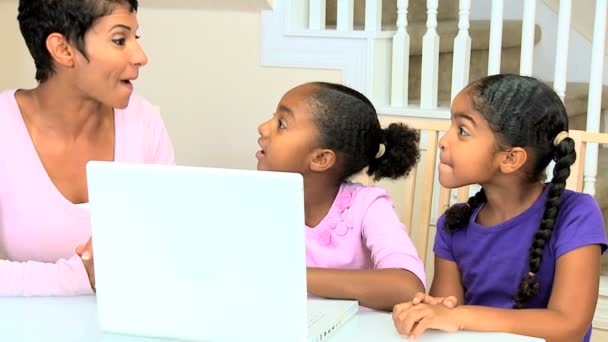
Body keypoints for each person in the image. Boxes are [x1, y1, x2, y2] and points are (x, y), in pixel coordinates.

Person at [392, 74, 607, 341]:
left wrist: (459, 316)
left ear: (510, 158)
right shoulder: (453, 224)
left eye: (462, 131)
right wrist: (426, 313)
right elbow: (445, 316)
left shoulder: (576, 214)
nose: (444, 140)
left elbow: (568, 325)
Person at [0, 0, 175, 296]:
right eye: (120, 40)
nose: (140, 56)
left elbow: (171, 246)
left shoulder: (144, 122)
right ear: (63, 50)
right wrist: (81, 276)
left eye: (136, 38)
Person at [256, 82, 425, 311]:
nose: (263, 128)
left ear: (320, 159)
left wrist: (294, 276)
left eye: (282, 124)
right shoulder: (260, 201)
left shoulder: (368, 207)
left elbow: (408, 288)